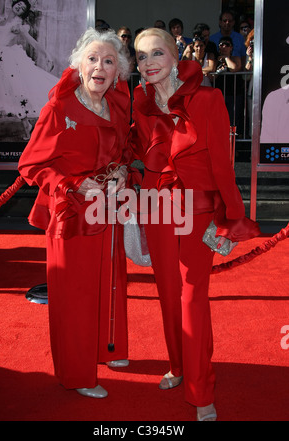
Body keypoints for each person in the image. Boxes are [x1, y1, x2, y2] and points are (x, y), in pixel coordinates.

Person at [131, 27, 260, 421]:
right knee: (168, 293)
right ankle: (177, 364)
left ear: (175, 55)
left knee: (192, 298)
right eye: (140, 56)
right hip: (156, 208)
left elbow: (222, 165)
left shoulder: (207, 99)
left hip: (198, 210)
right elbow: (134, 151)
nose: (148, 63)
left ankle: (201, 389)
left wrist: (229, 220)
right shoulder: (139, 102)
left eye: (156, 53)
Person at [18, 28, 135, 398]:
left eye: (109, 61)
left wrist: (120, 170)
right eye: (92, 59)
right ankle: (77, 373)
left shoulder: (117, 105)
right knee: (76, 294)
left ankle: (106, 348)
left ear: (118, 72)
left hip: (107, 209)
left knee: (109, 283)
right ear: (78, 65)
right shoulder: (59, 108)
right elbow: (30, 165)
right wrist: (71, 184)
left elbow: (121, 151)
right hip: (71, 213)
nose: (99, 67)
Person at [0, 0, 58, 139]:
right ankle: (26, 124)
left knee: (15, 91)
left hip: (7, 60)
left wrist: (47, 55)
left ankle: (27, 124)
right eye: (19, 4)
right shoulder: (0, 20)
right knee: (0, 92)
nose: (19, 7)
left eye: (23, 8)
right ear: (14, 4)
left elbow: (33, 42)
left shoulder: (18, 25)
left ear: (23, 13)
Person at [214, 36, 243, 131]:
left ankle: (232, 142)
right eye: (222, 44)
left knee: (232, 119)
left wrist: (226, 58)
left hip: (234, 94)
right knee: (218, 119)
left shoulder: (235, 58)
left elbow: (234, 68)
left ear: (231, 48)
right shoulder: (215, 60)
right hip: (220, 94)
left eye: (227, 45)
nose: (224, 47)